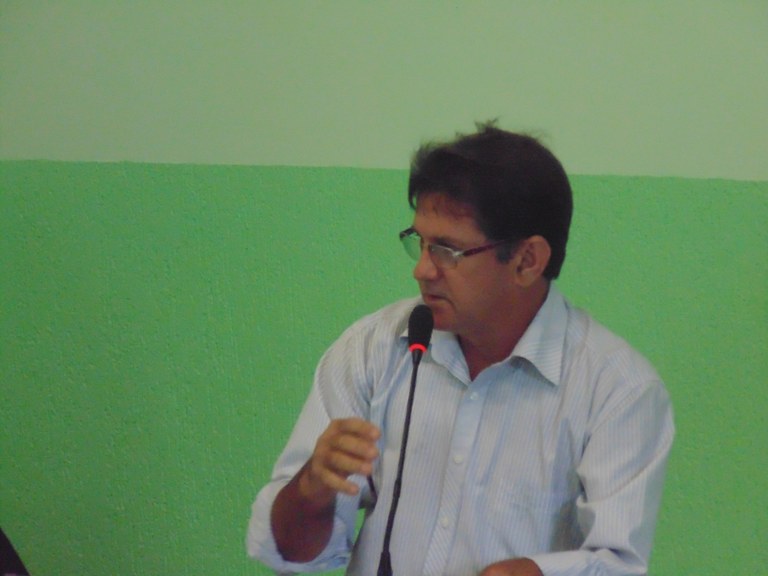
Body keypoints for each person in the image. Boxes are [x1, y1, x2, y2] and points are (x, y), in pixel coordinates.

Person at [246, 123, 674, 575]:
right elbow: (291, 553)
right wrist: (310, 490)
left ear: (527, 260)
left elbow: (617, 565)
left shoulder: (618, 390)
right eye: (420, 243)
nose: (422, 270)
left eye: (447, 251)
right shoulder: (374, 348)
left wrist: (535, 572)